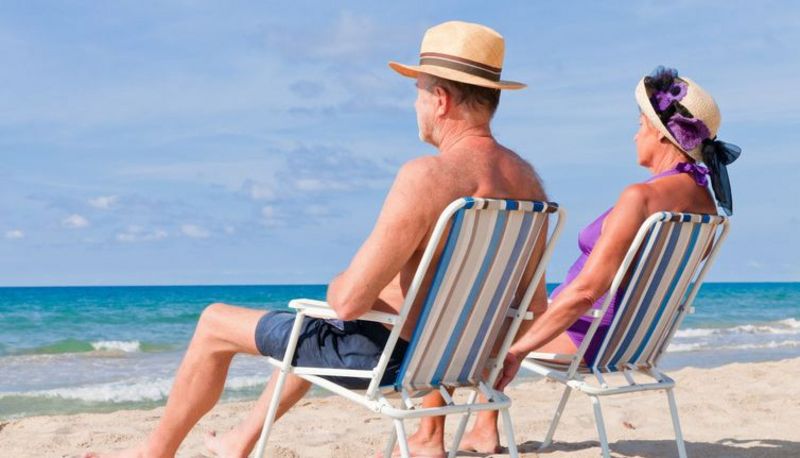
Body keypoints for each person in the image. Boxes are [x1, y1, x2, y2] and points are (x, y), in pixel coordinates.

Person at [86, 20, 548, 458]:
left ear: (442, 99)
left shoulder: (426, 177)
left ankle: (155, 451)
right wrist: (472, 349)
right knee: (311, 333)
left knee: (217, 322)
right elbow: (535, 309)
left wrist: (341, 283)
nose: (416, 105)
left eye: (418, 93)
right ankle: (239, 442)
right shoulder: (529, 184)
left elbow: (348, 303)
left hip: (383, 362)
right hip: (460, 363)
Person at [403, 66, 741, 455]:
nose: (635, 134)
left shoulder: (641, 198)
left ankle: (428, 437)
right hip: (633, 342)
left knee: (465, 315)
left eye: (640, 124)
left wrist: (517, 351)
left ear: (659, 131)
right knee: (510, 308)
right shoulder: (704, 205)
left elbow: (586, 291)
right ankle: (483, 429)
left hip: (590, 340)